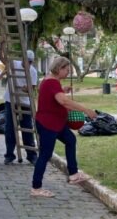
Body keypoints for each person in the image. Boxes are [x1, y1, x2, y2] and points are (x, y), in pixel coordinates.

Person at [30, 56, 97, 198]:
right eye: (67, 69)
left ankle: (73, 174)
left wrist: (62, 89)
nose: (68, 72)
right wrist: (85, 110)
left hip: (56, 123)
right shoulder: (52, 82)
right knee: (45, 154)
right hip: (49, 124)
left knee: (70, 140)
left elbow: (55, 96)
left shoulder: (50, 81)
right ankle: (36, 188)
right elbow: (63, 101)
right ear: (59, 68)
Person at [3, 49, 39, 165]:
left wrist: (26, 89)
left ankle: (31, 155)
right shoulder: (14, 64)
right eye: (26, 60)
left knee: (27, 128)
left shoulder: (32, 71)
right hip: (10, 100)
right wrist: (1, 47)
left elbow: (32, 89)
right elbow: (1, 58)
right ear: (22, 59)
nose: (28, 63)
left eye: (30, 62)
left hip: (25, 102)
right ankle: (9, 155)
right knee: (10, 128)